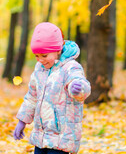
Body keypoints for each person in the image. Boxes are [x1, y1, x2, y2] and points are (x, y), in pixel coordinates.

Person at [13, 22, 91, 154]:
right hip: (41, 136)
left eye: (44, 56)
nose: (40, 60)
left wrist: (78, 89)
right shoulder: (39, 69)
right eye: (36, 56)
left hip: (62, 138)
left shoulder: (70, 67)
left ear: (58, 50)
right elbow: (32, 97)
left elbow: (80, 84)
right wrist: (22, 120)